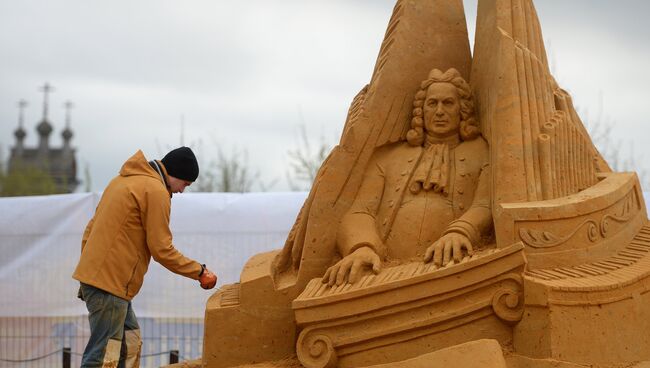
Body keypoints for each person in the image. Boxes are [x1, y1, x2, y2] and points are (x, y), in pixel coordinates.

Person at [323, 68, 493, 286]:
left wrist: (461, 232)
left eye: (448, 103)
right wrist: (362, 247)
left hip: (453, 269)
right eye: (432, 104)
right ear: (421, 111)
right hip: (384, 274)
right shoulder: (388, 157)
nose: (439, 111)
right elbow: (360, 211)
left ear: (463, 109)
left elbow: (485, 204)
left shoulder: (482, 153)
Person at [72, 147, 217, 368]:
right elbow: (161, 249)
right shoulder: (155, 191)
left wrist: (89, 276)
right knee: (103, 356)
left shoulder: (120, 182)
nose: (182, 191)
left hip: (105, 283)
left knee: (129, 344)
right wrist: (199, 271)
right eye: (185, 184)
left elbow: (90, 231)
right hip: (110, 285)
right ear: (175, 174)